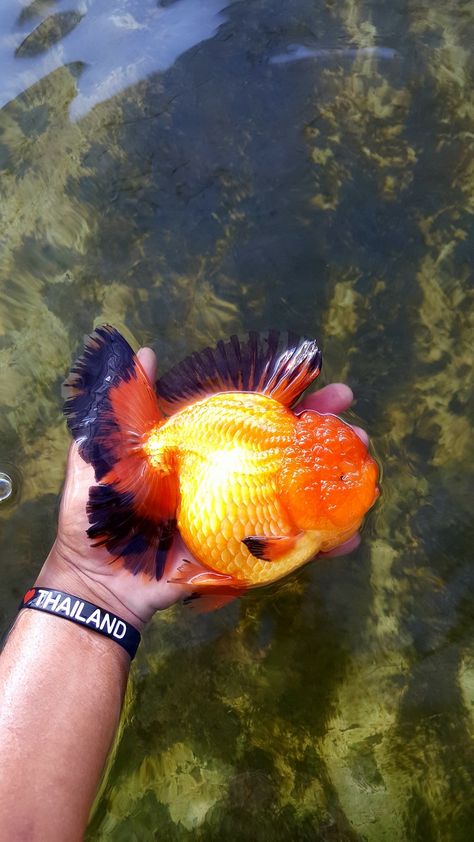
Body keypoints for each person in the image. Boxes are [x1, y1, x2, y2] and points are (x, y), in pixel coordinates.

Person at [0, 346, 366, 841]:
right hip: (186, 451)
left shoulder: (296, 527)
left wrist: (85, 585)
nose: (368, 483)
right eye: (345, 478)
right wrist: (93, 576)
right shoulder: (286, 537)